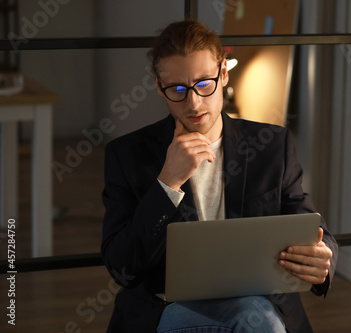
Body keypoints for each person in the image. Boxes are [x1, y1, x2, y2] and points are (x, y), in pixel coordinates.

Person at [101, 20, 338, 333]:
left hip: (258, 302)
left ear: (224, 73)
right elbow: (123, 268)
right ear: (159, 87)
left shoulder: (271, 145)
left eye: (204, 84)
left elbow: (306, 222)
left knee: (253, 315)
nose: (194, 103)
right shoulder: (128, 154)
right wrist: (167, 184)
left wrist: (325, 258)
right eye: (178, 89)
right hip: (167, 309)